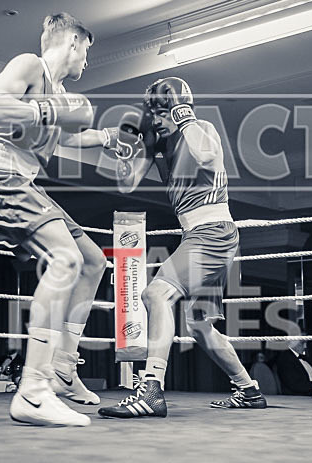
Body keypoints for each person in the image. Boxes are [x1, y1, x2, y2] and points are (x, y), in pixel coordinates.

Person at [0, 13, 114, 426]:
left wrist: (107, 138)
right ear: (73, 41)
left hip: (25, 182)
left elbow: (68, 133)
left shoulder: (61, 94)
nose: (86, 59)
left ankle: (63, 368)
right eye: (86, 49)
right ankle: (33, 390)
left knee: (93, 261)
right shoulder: (30, 66)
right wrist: (50, 110)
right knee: (66, 259)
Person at [98, 77, 267, 418]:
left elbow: (207, 158)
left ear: (178, 108)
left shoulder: (202, 129)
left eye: (163, 112)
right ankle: (249, 390)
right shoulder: (158, 146)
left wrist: (183, 114)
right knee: (200, 326)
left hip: (213, 232)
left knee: (155, 295)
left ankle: (151, 390)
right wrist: (125, 154)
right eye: (154, 114)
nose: (157, 119)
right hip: (197, 235)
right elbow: (126, 184)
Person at [274, 323, 312, 396]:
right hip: (303, 396)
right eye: (302, 342)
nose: (305, 346)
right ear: (292, 341)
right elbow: (295, 385)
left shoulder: (305, 358)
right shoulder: (285, 359)